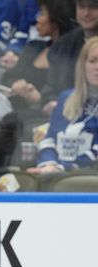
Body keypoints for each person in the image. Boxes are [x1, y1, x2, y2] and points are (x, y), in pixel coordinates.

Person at [31, 36, 98, 173]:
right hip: (56, 173)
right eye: (92, 61)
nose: (97, 67)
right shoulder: (66, 98)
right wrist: (47, 164)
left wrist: (62, 168)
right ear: (83, 65)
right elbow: (49, 139)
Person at [40, 0, 98, 113]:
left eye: (93, 7)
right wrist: (50, 102)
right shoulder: (63, 44)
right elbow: (50, 87)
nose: (86, 13)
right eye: (81, 7)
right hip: (63, 113)